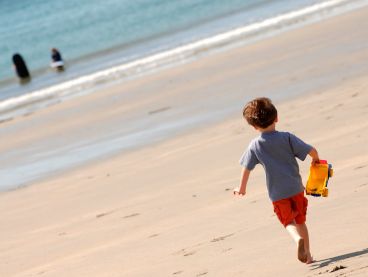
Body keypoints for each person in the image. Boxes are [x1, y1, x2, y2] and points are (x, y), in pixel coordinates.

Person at [234, 97, 319, 264]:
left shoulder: (255, 145)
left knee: (288, 222)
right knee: (301, 221)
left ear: (253, 126)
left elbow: (247, 168)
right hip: (296, 188)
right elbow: (311, 150)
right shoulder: (286, 137)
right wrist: (316, 159)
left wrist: (241, 188)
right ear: (277, 117)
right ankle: (308, 256)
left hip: (278, 194)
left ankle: (297, 240)